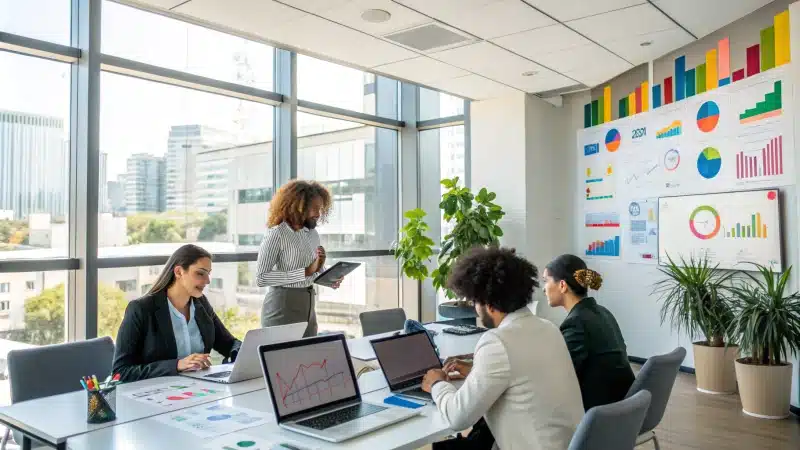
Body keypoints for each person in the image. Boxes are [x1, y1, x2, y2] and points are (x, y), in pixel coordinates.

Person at [421, 247, 584, 450]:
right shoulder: (548, 328)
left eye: (475, 302)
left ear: (489, 304)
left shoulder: (497, 341)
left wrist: (437, 383)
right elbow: (523, 373)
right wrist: (476, 371)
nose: (476, 309)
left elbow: (457, 418)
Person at [113, 244, 242, 382]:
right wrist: (177, 365)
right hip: (157, 394)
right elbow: (120, 372)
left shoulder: (201, 304)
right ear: (179, 272)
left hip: (198, 389)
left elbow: (229, 343)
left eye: (208, 274)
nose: (207, 280)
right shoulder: (141, 309)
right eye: (200, 273)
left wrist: (246, 353)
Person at [544, 254, 635, 411]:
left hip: (602, 415)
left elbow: (560, 376)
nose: (544, 288)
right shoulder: (602, 312)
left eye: (546, 281)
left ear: (562, 285)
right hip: (625, 407)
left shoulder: (576, 323)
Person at [255, 180, 342, 338]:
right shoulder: (277, 234)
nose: (318, 213)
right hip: (282, 305)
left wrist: (328, 278)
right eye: (315, 208)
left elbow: (313, 273)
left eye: (321, 208)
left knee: (307, 356)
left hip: (308, 304)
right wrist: (306, 271)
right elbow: (261, 278)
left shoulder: (312, 234)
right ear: (297, 206)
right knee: (283, 359)